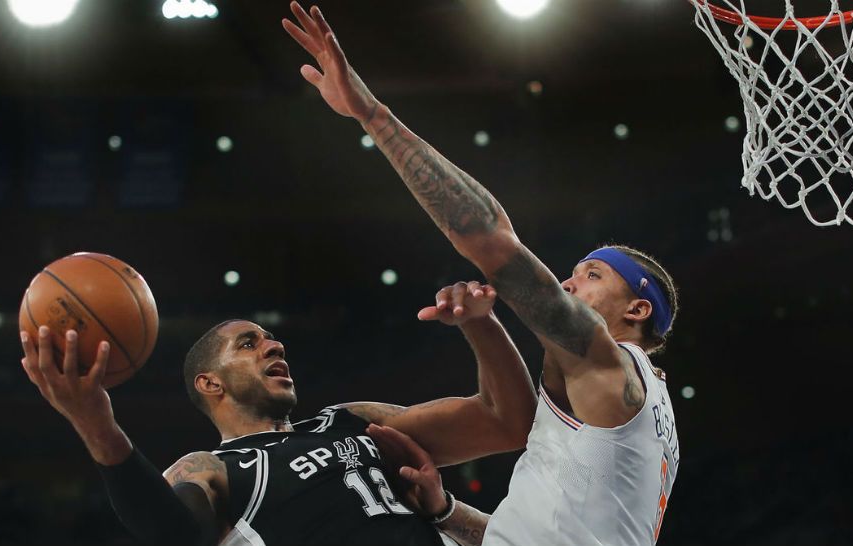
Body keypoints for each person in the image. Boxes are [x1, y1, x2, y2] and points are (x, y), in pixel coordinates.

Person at [283, 3, 682, 545]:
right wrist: (446, 509)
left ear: (637, 309)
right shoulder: (646, 411)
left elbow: (488, 237)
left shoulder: (603, 364)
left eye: (591, 275)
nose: (567, 284)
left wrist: (371, 114)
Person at [20, 281, 536, 546]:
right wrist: (95, 423)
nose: (274, 346)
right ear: (209, 382)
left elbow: (508, 423)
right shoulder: (211, 468)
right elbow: (171, 534)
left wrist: (482, 325)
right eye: (249, 343)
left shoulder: (350, 420)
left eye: (271, 339)